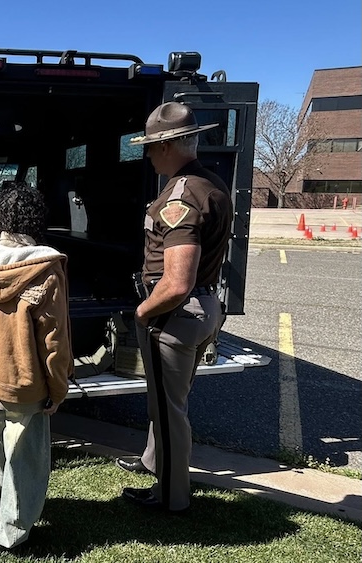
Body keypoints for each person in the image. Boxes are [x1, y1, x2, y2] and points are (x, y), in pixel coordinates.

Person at [116, 102, 233, 513]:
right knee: (171, 403)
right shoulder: (212, 184)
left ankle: (171, 498)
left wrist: (144, 312)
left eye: (150, 147)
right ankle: (155, 464)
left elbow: (177, 281)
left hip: (175, 315)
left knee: (168, 411)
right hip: (202, 307)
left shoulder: (179, 198)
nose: (147, 155)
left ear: (167, 146)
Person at [0, 182, 73, 553]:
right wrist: (58, 389)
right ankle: (9, 533)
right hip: (25, 383)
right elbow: (54, 340)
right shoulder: (45, 268)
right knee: (25, 462)